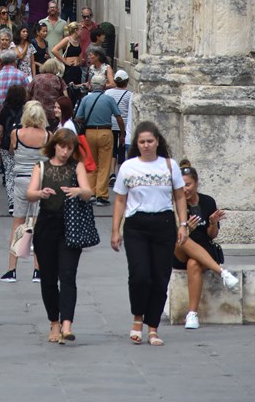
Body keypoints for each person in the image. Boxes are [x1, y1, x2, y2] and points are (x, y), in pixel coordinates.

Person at [111, 121, 189, 346]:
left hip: (163, 223)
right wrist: (115, 230)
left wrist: (183, 224)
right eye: (142, 142)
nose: (146, 145)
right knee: (140, 275)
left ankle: (153, 327)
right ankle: (138, 318)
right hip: (136, 224)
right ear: (137, 144)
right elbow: (120, 200)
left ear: (157, 142)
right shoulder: (128, 167)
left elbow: (180, 196)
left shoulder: (169, 165)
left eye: (150, 141)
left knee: (160, 276)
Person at [26, 128, 93, 343]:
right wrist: (41, 193)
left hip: (70, 226)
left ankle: (67, 324)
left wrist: (79, 191)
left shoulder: (76, 166)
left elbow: (88, 192)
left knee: (67, 275)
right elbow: (30, 194)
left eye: (69, 148)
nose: (65, 152)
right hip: (46, 225)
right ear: (54, 145)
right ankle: (54, 322)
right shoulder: (41, 166)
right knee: (48, 277)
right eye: (62, 147)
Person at [174, 159, 240, 330]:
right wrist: (187, 229)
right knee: (184, 239)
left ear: (196, 183)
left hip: (204, 250)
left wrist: (212, 223)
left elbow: (212, 235)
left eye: (188, 184)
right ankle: (222, 272)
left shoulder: (208, 201)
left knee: (193, 263)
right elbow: (173, 237)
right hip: (180, 249)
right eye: (181, 185)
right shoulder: (176, 203)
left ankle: (192, 314)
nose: (185, 189)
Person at [1, 100, 49, 283]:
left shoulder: (16, 133)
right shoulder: (47, 135)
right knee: (38, 226)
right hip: (40, 181)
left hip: (20, 179)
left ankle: (11, 269)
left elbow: (12, 152)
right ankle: (38, 270)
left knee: (18, 225)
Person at [74, 79, 125, 204]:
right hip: (105, 132)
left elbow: (78, 118)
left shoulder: (86, 99)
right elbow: (118, 117)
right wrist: (122, 133)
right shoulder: (109, 99)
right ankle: (101, 194)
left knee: (91, 163)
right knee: (104, 164)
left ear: (91, 85)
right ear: (104, 86)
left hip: (89, 133)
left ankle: (91, 191)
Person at [0, 85, 27, 214]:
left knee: (9, 174)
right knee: (22, 172)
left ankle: (12, 202)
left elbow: (0, 129)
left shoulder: (5, 110)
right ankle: (22, 200)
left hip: (6, 145)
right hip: (22, 144)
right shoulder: (26, 110)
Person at [108, 69, 133, 181]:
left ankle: (112, 173)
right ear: (126, 82)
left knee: (112, 149)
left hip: (111, 124)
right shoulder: (129, 95)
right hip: (124, 125)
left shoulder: (108, 93)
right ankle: (121, 174)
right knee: (121, 150)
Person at [28, 57, 66, 129]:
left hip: (36, 112)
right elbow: (65, 97)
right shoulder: (58, 80)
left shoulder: (36, 78)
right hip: (52, 115)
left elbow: (28, 93)